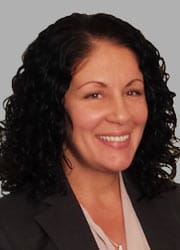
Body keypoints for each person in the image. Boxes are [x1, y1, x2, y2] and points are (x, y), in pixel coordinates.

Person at [0, 12, 180, 250]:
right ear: (53, 107)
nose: (122, 114)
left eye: (132, 92)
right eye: (94, 95)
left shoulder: (175, 206)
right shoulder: (8, 229)